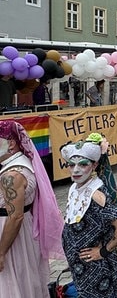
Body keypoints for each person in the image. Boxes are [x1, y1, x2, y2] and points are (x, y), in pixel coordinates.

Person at [0, 121, 64, 297]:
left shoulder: (11, 175)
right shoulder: (22, 162)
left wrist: (1, 252)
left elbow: (15, 217)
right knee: (23, 278)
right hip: (23, 232)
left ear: (10, 143)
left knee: (12, 282)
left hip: (12, 236)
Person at [60, 141, 117, 297]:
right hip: (81, 267)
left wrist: (104, 251)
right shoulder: (75, 186)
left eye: (83, 165)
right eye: (72, 165)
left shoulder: (96, 194)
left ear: (94, 165)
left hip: (95, 269)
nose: (76, 170)